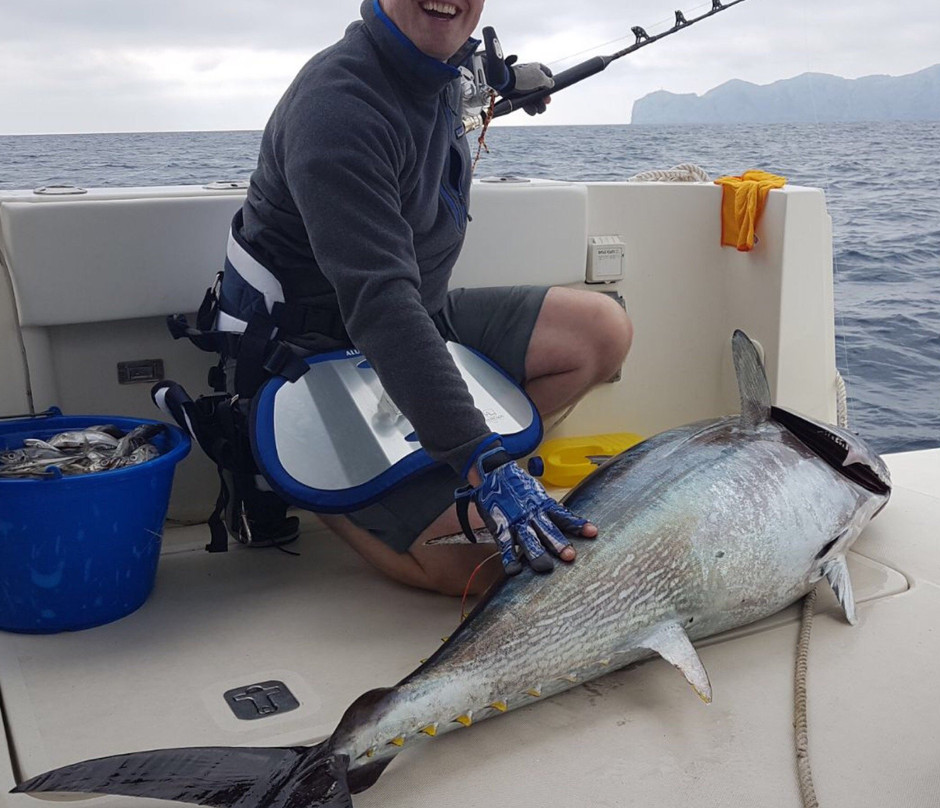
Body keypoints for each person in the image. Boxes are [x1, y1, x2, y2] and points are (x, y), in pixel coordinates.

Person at [215, 0, 632, 596]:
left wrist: (512, 80)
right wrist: (483, 459)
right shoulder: (338, 107)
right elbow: (381, 305)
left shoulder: (438, 65)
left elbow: (468, 73)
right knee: (484, 563)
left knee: (601, 330)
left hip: (423, 319)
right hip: (317, 357)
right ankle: (315, 487)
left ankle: (442, 475)